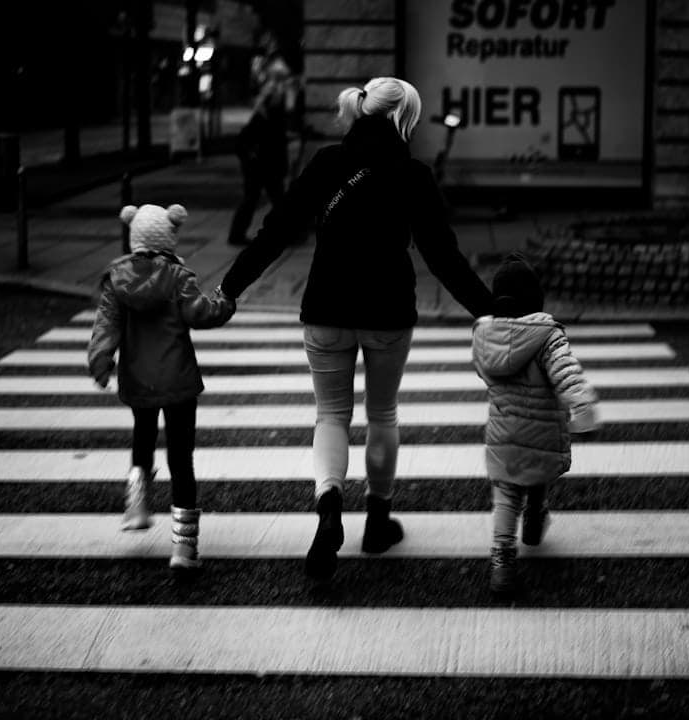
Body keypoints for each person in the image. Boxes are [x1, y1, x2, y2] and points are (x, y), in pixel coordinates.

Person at [213, 76, 494, 583]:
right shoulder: (414, 174)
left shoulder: (325, 163)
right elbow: (442, 255)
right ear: (402, 117)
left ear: (362, 111)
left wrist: (231, 288)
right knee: (382, 412)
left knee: (331, 415)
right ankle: (378, 523)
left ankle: (328, 508)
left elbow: (276, 232)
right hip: (387, 309)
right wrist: (488, 309)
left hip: (326, 306)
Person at [88, 203, 236, 570]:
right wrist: (226, 304)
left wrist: (101, 360)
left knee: (143, 437)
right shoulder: (177, 275)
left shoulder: (117, 280)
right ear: (170, 236)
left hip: (138, 379)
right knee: (181, 459)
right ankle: (184, 548)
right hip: (179, 380)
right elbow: (199, 313)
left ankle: (137, 502)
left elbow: (106, 326)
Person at [471, 253, 601, 596]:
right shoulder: (546, 337)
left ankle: (502, 558)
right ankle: (534, 517)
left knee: (505, 496)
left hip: (503, 433)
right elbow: (566, 372)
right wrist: (583, 408)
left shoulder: (485, 338)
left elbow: (486, 374)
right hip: (541, 429)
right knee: (538, 472)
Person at [227, 58, 292, 246]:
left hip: (262, 162)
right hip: (264, 162)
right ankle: (286, 233)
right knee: (273, 199)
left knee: (261, 198)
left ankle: (237, 234)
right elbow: (264, 136)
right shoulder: (274, 100)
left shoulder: (269, 101)